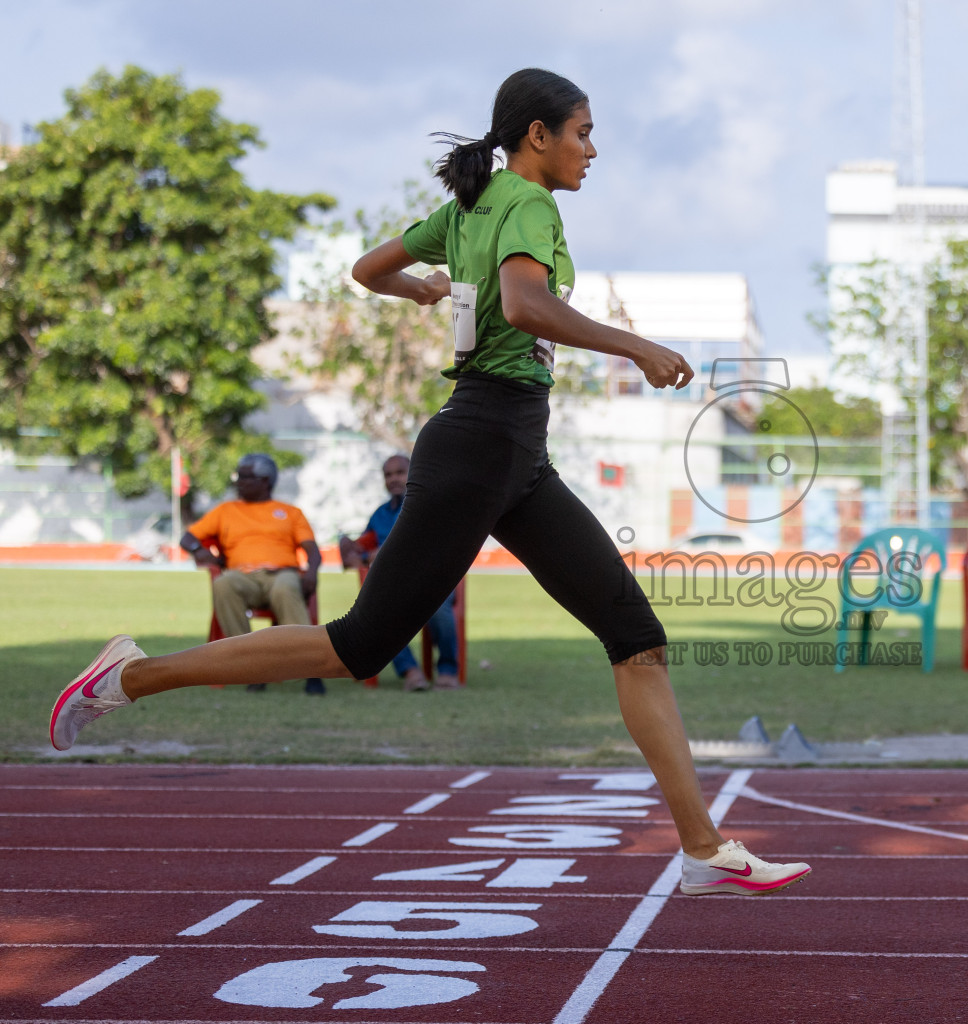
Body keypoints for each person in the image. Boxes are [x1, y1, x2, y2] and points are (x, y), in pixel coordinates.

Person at [49, 68, 809, 896]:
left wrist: (419, 287)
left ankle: (700, 848)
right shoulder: (525, 202)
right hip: (481, 443)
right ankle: (128, 675)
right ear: (537, 136)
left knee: (638, 640)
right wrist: (637, 347)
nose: (593, 150)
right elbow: (523, 307)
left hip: (516, 454)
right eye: (583, 133)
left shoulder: (467, 208)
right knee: (358, 645)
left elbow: (367, 268)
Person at [181, 453, 326, 696]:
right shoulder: (226, 510)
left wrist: (312, 572)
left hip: (282, 574)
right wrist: (199, 551)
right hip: (242, 577)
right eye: (238, 476)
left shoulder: (290, 512)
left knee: (286, 587)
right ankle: (252, 666)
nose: (238, 482)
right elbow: (188, 538)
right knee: (223, 584)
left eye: (245, 477)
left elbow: (312, 550)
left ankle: (311, 669)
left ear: (265, 480)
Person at [339, 454, 461, 691]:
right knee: (379, 612)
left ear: (414, 473)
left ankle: (448, 671)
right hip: (393, 584)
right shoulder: (380, 514)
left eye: (400, 473)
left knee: (438, 609)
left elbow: (428, 543)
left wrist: (378, 554)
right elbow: (361, 549)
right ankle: (411, 672)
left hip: (433, 579)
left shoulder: (430, 504)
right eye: (388, 474)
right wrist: (348, 546)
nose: (393, 479)